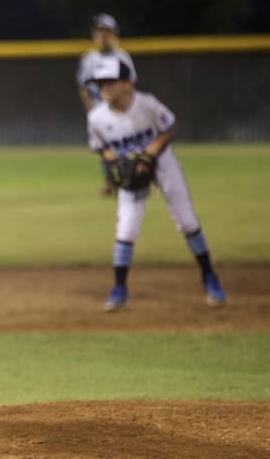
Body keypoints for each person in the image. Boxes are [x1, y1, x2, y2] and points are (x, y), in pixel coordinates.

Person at [85, 56, 227, 312]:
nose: (102, 87)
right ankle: (119, 289)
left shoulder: (146, 104)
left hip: (162, 162)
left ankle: (209, 276)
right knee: (126, 227)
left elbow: (168, 126)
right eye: (99, 83)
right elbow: (101, 148)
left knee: (186, 220)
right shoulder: (96, 117)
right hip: (132, 173)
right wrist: (119, 164)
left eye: (108, 82)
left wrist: (148, 155)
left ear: (128, 83)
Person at [76, 13, 138, 197]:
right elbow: (83, 87)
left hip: (121, 108)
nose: (103, 36)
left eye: (107, 32)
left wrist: (129, 107)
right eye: (99, 32)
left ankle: (137, 181)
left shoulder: (122, 57)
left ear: (114, 34)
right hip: (100, 108)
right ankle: (111, 183)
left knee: (129, 145)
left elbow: (130, 84)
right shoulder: (88, 59)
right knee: (104, 148)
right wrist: (91, 110)